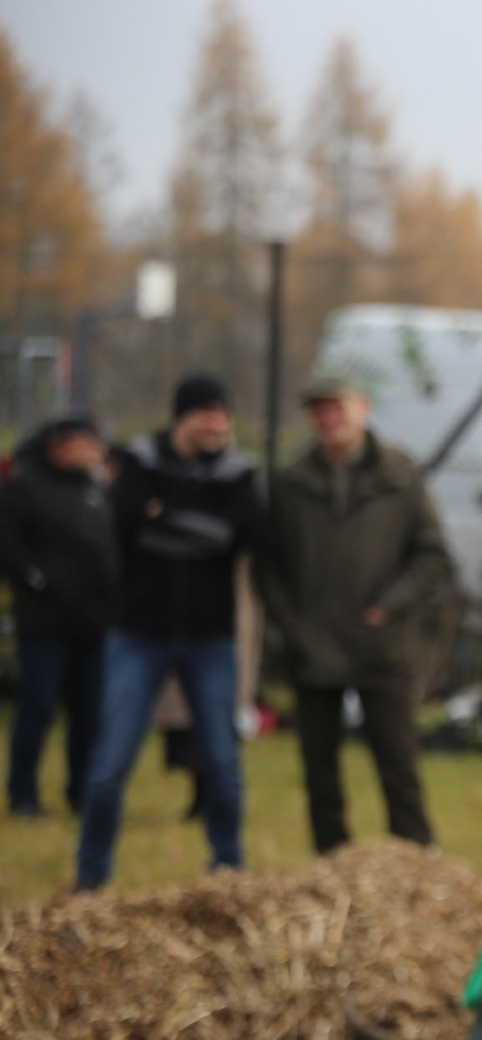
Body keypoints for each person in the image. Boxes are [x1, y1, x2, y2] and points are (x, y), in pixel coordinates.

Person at [75, 374, 261, 890]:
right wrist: (201, 526)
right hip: (139, 634)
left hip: (209, 638)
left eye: (224, 414)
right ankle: (90, 877)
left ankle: (229, 872)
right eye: (207, 413)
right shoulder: (139, 461)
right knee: (111, 762)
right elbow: (127, 521)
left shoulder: (239, 471)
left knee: (222, 762)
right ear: (182, 417)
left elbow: (241, 534)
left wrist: (166, 519)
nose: (217, 424)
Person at [257, 377, 449, 854]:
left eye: (336, 407)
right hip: (313, 646)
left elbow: (432, 555)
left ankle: (415, 865)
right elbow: (267, 563)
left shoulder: (400, 475)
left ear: (362, 407)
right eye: (318, 410)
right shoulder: (291, 480)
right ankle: (332, 865)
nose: (328, 418)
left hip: (381, 645)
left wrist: (389, 606)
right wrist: (289, 623)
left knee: (398, 766)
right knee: (319, 771)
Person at [0, 412, 116, 818]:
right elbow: (10, 547)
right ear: (60, 445)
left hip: (94, 623)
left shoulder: (97, 489)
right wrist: (38, 582)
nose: (94, 451)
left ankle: (82, 793)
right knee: (38, 708)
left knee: (88, 713)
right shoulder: (24, 487)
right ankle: (23, 794)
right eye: (87, 442)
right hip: (45, 624)